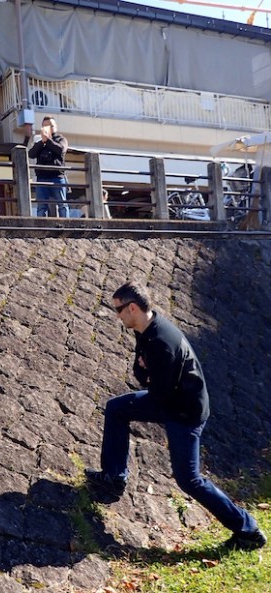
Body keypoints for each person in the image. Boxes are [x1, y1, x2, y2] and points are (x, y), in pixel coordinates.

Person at [85, 281, 267, 551]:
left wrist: (147, 374)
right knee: (117, 408)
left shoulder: (161, 343)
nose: (117, 316)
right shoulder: (146, 327)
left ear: (132, 307)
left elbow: (158, 391)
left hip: (184, 412)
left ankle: (248, 531)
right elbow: (142, 372)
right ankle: (114, 476)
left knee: (189, 480)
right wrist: (146, 373)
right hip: (171, 399)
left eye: (119, 310)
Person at [28, 115, 72, 218]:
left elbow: (61, 150)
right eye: (45, 126)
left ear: (55, 127)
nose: (48, 128)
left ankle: (67, 226)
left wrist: (48, 141)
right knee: (41, 206)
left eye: (51, 126)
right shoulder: (40, 142)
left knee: (62, 205)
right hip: (42, 178)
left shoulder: (61, 139)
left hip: (57, 177)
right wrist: (42, 142)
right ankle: (41, 228)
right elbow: (31, 154)